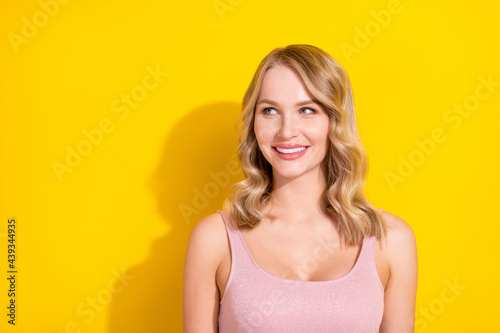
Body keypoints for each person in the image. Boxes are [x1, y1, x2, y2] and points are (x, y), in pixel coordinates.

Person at [182, 44, 418, 332]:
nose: (286, 131)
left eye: (307, 110)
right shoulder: (214, 239)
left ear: (335, 121)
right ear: (254, 122)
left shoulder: (391, 240)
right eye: (269, 110)